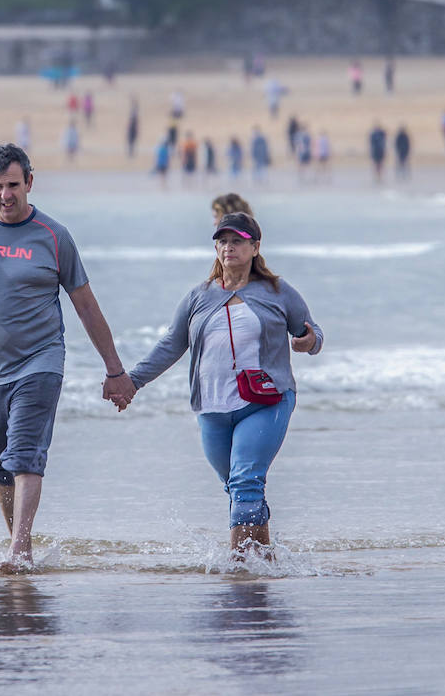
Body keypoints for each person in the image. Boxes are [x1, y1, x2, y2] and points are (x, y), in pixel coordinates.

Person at [0, 144, 135, 571]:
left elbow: (86, 306)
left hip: (40, 362)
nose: (6, 195)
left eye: (14, 185)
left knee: (24, 454)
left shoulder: (54, 236)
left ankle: (19, 548)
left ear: (30, 182)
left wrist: (115, 371)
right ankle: (21, 545)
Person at [126, 212, 322, 557]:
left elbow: (312, 332)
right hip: (213, 407)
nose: (228, 247)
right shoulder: (198, 296)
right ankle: (264, 561)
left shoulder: (277, 291)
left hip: (266, 402)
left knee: (246, 481)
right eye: (222, 241)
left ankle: (238, 567)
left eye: (237, 241)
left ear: (255, 247)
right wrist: (131, 382)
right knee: (237, 487)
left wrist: (308, 341)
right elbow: (171, 345)